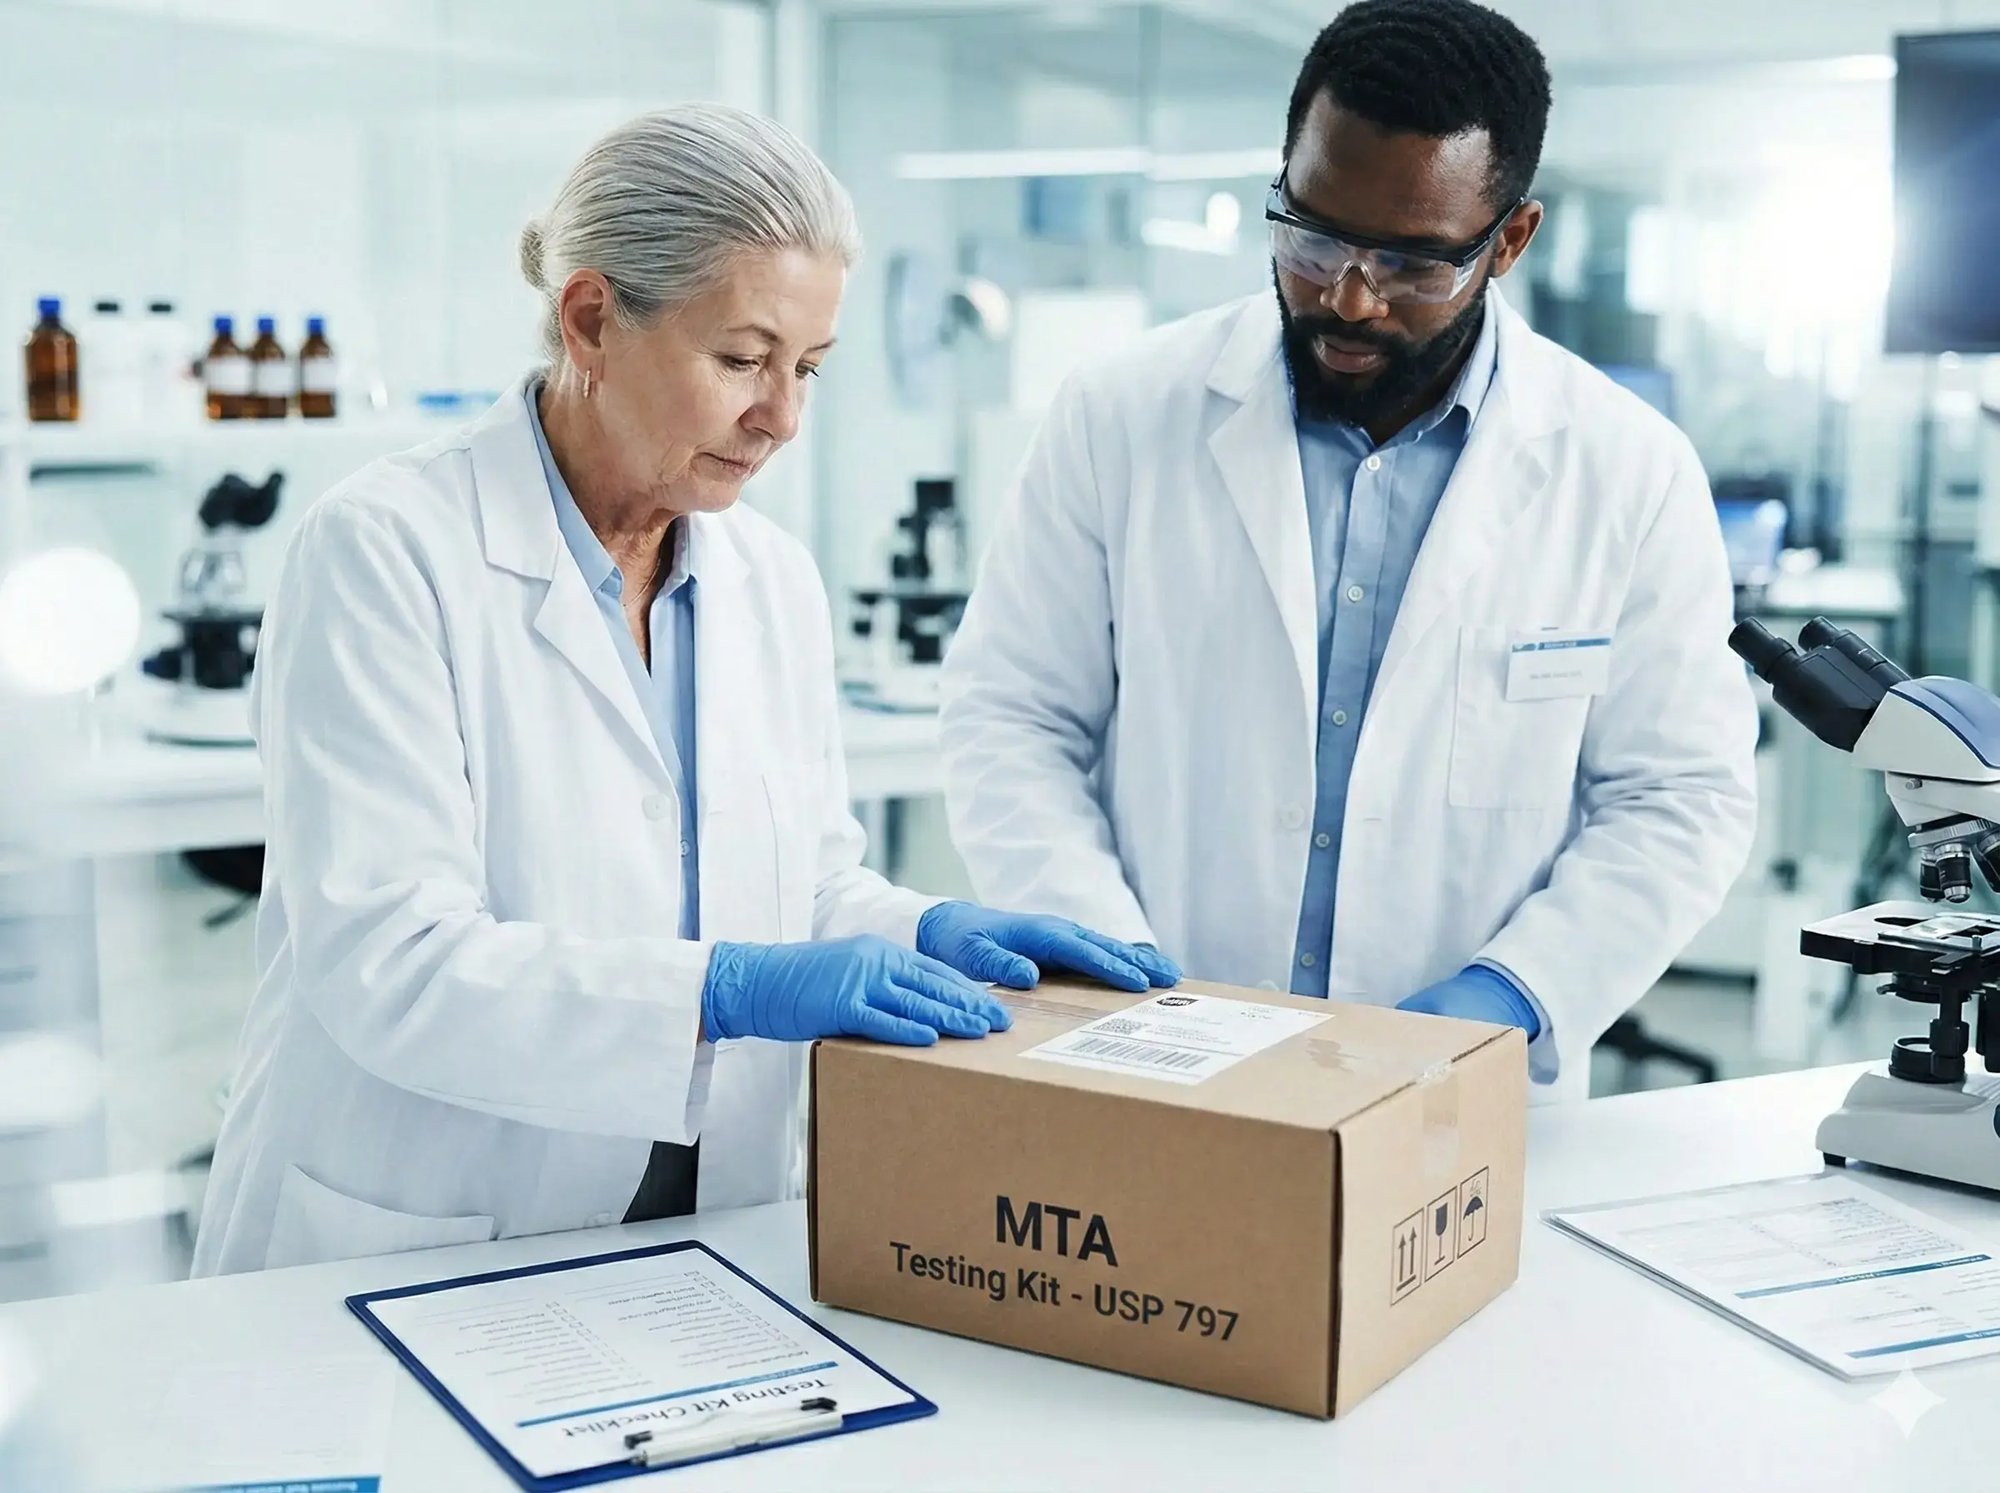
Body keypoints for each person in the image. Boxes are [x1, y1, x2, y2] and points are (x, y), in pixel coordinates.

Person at [191, 105, 1176, 1277]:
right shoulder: (385, 549)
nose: (782, 418)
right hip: (426, 1229)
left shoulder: (769, 578)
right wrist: (732, 986)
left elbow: (798, 884)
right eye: (742, 359)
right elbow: (390, 961)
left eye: (806, 367)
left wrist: (923, 928)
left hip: (708, 1231)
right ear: (593, 319)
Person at [938, 0, 1756, 1104]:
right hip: (1155, 1067)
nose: (1348, 297)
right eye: (1311, 237)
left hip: (1459, 1102)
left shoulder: (1624, 468)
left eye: (1413, 264)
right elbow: (1011, 714)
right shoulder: (1122, 413)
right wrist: (1107, 968)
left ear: (1507, 240)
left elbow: (1678, 795)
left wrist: (1508, 995)